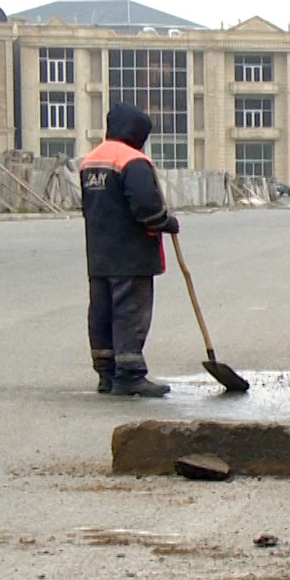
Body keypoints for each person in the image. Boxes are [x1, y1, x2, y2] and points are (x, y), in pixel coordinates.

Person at [81, 102, 180, 397]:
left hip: (99, 253)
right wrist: (166, 222)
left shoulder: (91, 160)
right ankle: (130, 375)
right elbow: (146, 208)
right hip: (130, 254)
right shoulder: (132, 160)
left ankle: (106, 374)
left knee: (102, 312)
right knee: (129, 312)